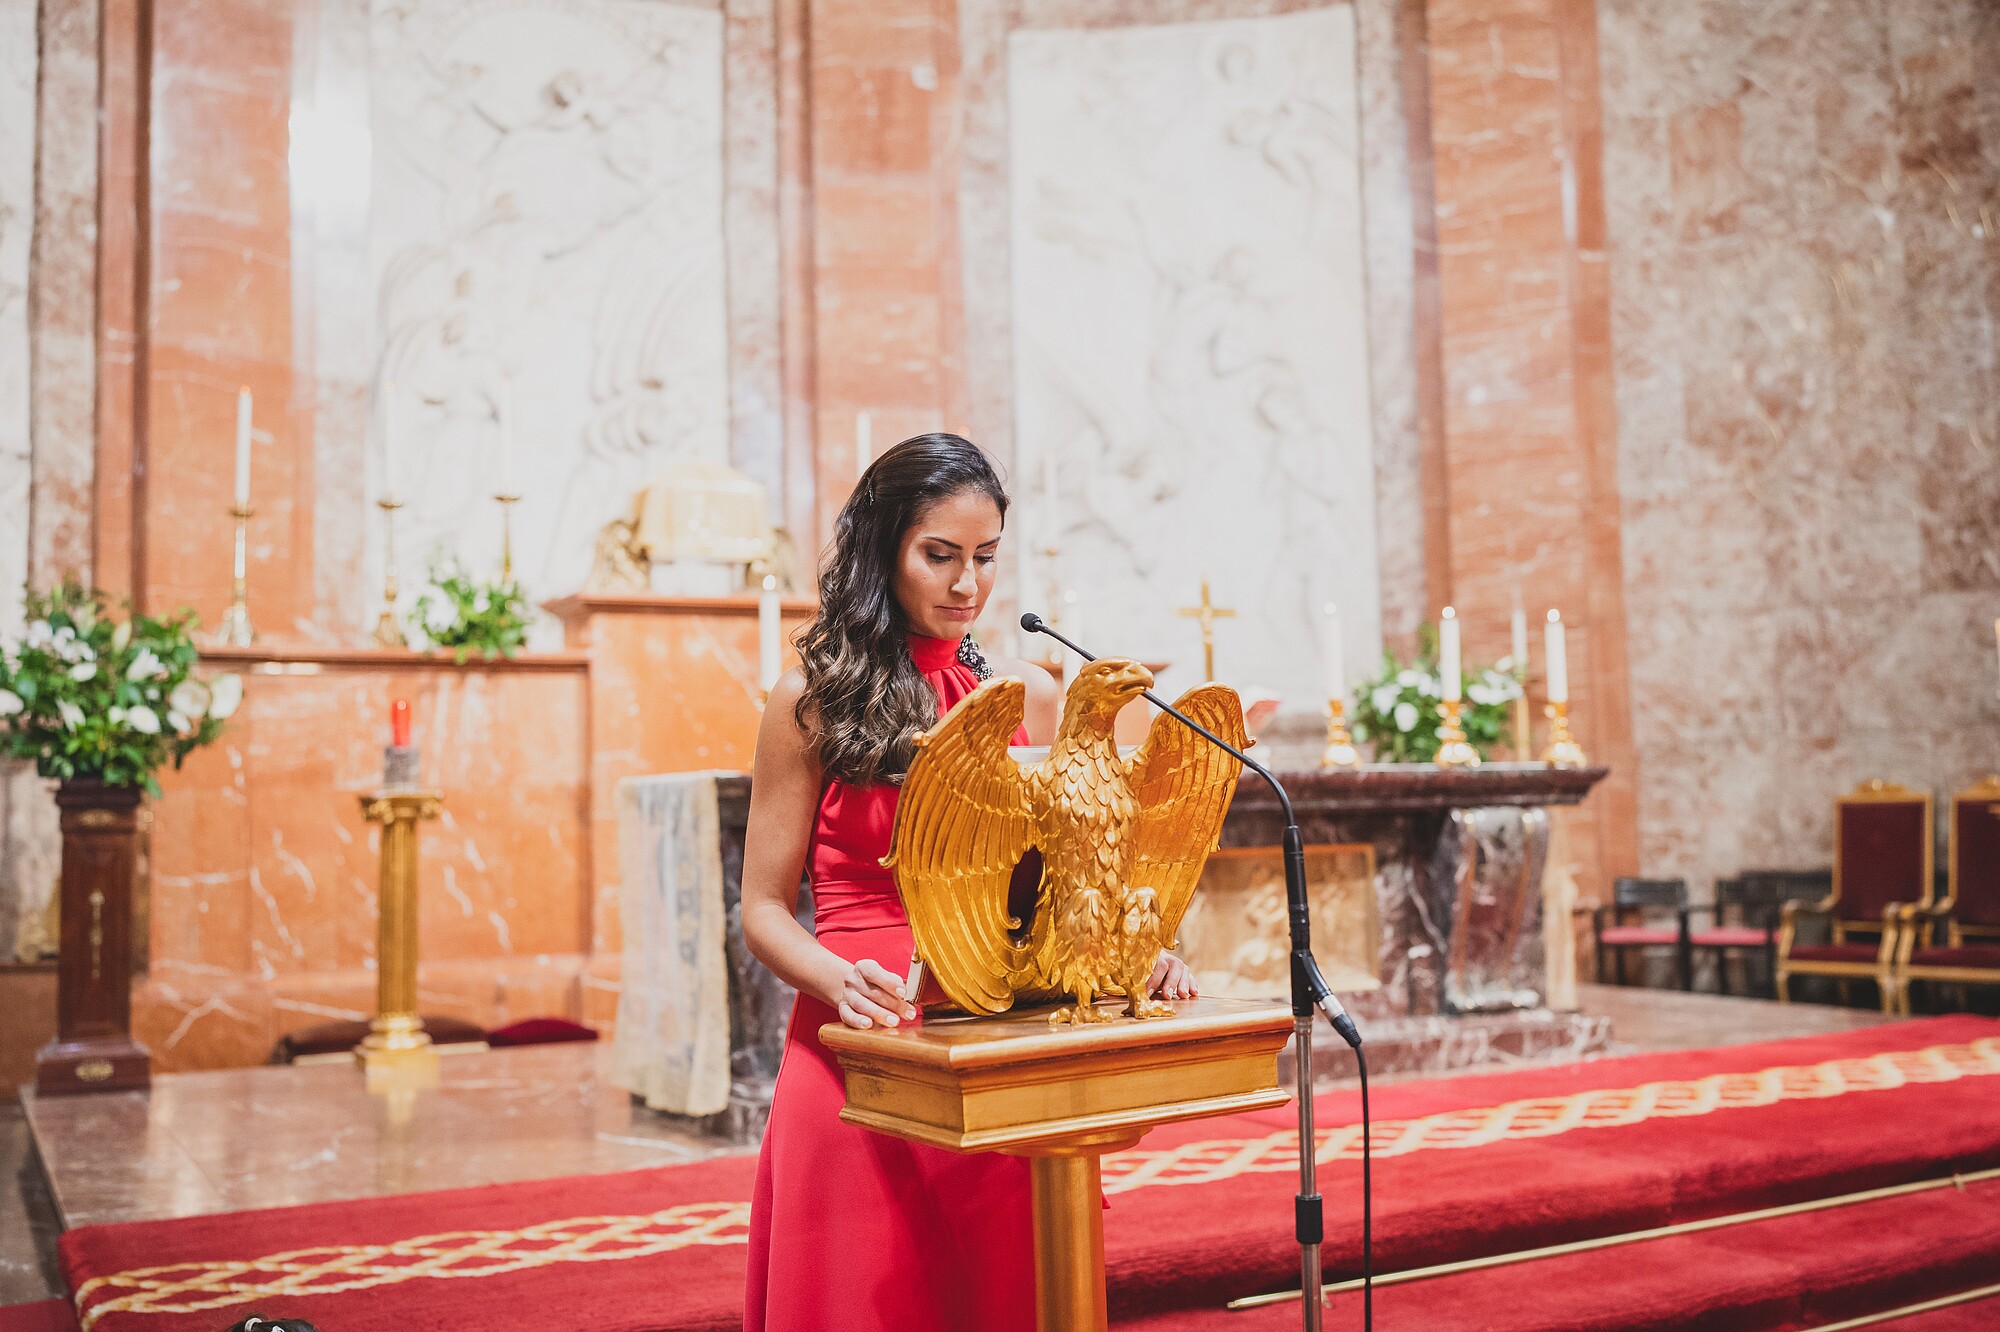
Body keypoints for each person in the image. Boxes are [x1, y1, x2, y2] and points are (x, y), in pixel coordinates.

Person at [741, 433, 1197, 1330]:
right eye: (939, 556)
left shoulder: (1025, 695)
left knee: (1000, 1295)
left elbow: (1054, 883)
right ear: (883, 552)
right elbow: (761, 908)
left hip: (996, 1037)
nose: (967, 586)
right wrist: (838, 981)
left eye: (985, 559)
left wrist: (1129, 949)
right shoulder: (811, 699)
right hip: (860, 1040)